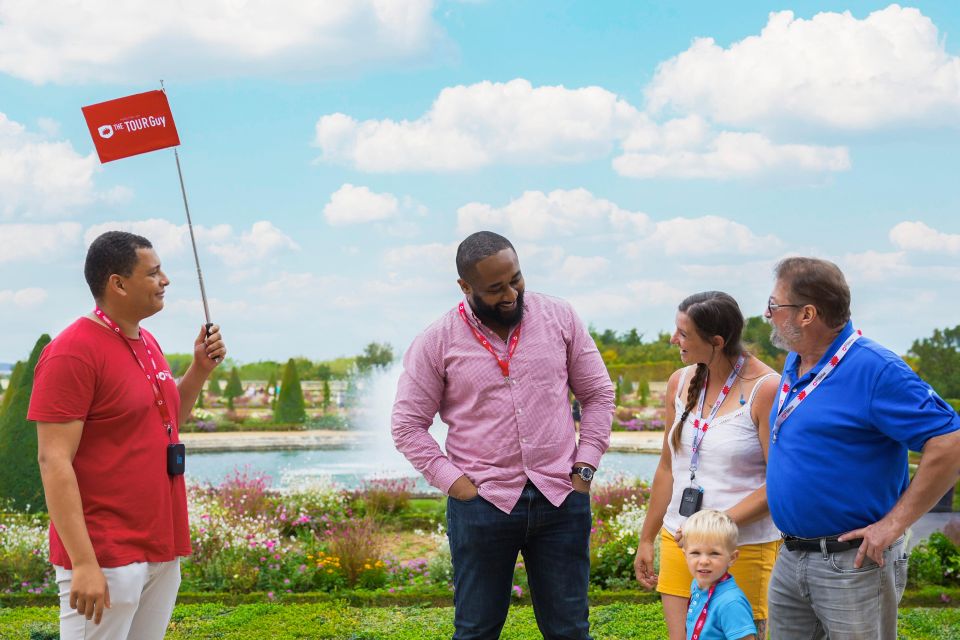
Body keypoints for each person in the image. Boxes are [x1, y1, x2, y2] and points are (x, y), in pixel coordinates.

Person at [392, 231, 614, 640]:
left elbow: (598, 394)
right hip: (482, 503)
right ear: (465, 287)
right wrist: (455, 484)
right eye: (495, 288)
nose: (511, 293)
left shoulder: (561, 317)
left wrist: (585, 467)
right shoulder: (436, 340)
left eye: (516, 278)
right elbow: (406, 425)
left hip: (561, 497)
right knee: (476, 631)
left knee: (570, 631)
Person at [28, 231, 226, 639]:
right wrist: (84, 563)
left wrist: (200, 370)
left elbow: (169, 421)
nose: (165, 280)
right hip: (105, 554)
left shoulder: (145, 340)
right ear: (118, 284)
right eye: (153, 273)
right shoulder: (72, 351)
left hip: (158, 545)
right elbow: (53, 460)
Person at [764, 257, 960, 639]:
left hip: (851, 565)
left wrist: (894, 524)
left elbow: (950, 442)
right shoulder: (797, 361)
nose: (767, 314)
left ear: (807, 314)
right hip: (790, 556)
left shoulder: (876, 369)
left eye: (774, 305)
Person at [634, 291, 780, 640]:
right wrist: (647, 537)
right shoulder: (680, 381)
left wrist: (717, 527)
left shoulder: (767, 388)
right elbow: (668, 468)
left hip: (739, 547)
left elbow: (781, 484)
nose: (673, 339)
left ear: (716, 341)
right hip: (680, 541)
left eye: (683, 334)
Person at [682, 509, 757, 640]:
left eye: (714, 553)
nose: (704, 561)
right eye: (695, 553)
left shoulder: (731, 603)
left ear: (732, 558)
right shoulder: (697, 584)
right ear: (685, 555)